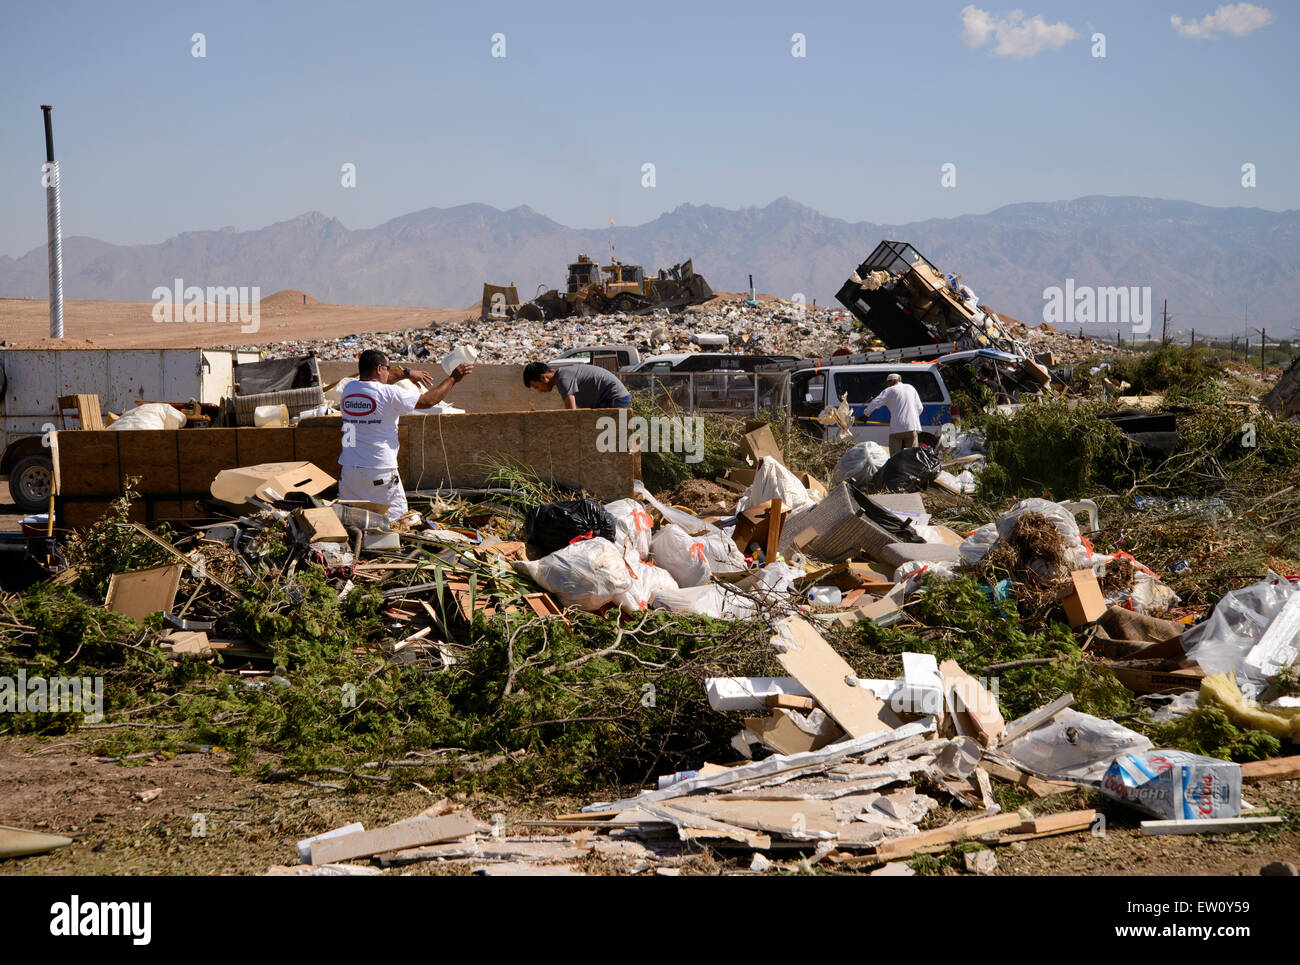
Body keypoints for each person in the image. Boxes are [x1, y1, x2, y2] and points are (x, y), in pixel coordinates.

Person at [339, 349, 472, 520]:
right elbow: (427, 401)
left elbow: (384, 381)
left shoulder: (349, 390)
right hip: (380, 472)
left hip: (349, 472)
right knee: (398, 522)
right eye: (388, 367)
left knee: (353, 521)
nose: (389, 372)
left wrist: (407, 373)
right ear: (380, 369)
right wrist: (453, 378)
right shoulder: (388, 394)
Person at [523, 361, 632, 409]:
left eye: (537, 387)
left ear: (543, 378)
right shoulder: (564, 375)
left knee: (609, 442)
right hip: (614, 399)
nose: (539, 391)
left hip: (615, 400)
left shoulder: (563, 379)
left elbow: (572, 414)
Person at [863, 372, 923, 454]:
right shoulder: (911, 388)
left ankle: (896, 466)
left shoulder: (890, 390)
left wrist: (866, 414)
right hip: (912, 428)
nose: (888, 385)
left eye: (888, 383)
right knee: (913, 456)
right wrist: (911, 418)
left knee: (895, 456)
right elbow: (920, 408)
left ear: (893, 381)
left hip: (897, 429)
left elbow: (876, 402)